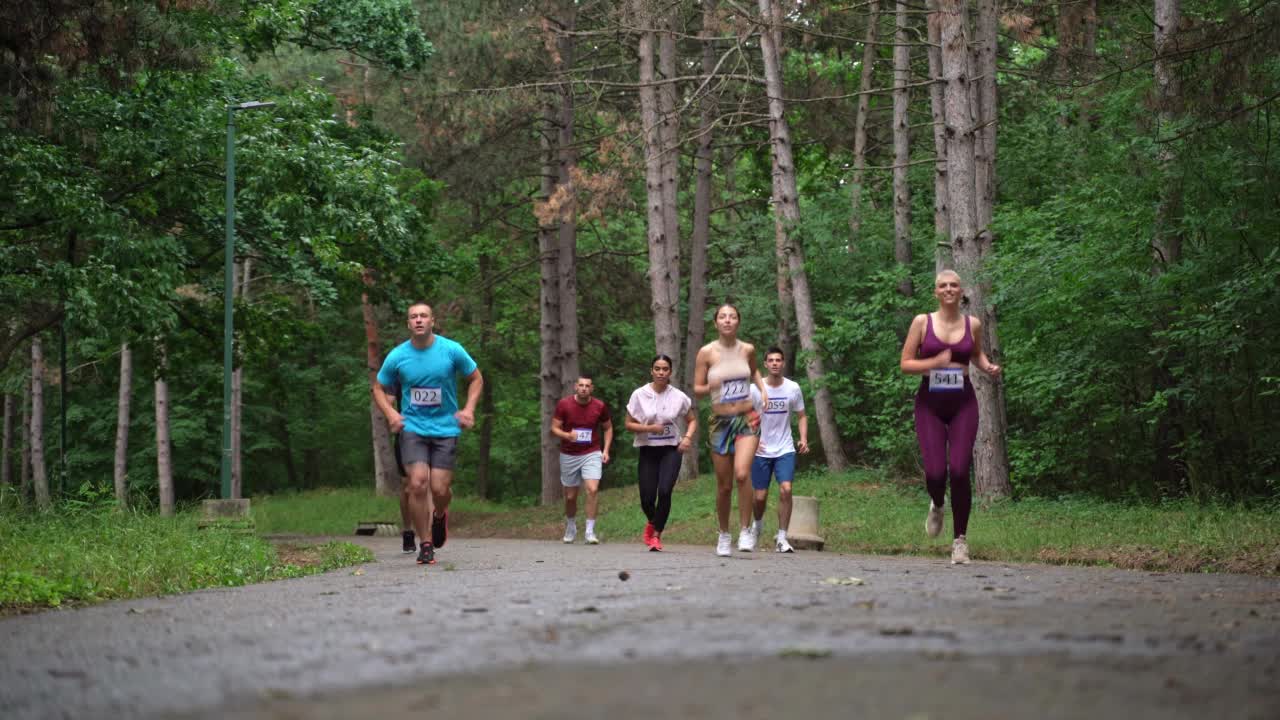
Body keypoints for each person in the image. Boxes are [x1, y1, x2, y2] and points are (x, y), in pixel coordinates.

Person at [899, 270, 1002, 565]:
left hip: (963, 402)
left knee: (958, 470)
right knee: (935, 473)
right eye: (943, 285)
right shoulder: (922, 322)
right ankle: (938, 503)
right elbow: (905, 364)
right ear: (935, 291)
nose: (948, 289)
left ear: (961, 291)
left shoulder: (973, 324)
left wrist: (988, 367)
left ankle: (960, 541)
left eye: (953, 285)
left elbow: (976, 355)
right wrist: (934, 362)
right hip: (929, 403)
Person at [374, 302, 483, 566]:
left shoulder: (451, 350)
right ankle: (425, 544)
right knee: (417, 483)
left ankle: (440, 514)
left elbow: (476, 378)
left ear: (432, 321)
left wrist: (468, 409)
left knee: (440, 488)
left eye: (423, 316)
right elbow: (378, 387)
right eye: (414, 317)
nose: (419, 320)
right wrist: (392, 414)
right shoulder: (398, 356)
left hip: (446, 428)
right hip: (412, 428)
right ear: (408, 324)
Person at [693, 304, 769, 556]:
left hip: (747, 418)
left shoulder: (747, 349)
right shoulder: (706, 353)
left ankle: (746, 530)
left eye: (732, 316)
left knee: (742, 474)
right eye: (722, 317)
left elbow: (755, 369)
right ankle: (724, 534)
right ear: (715, 323)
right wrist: (713, 384)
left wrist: (763, 389)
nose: (727, 320)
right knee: (724, 485)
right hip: (720, 421)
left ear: (738, 322)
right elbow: (697, 389)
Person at [624, 355, 697, 552]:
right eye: (657, 368)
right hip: (648, 450)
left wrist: (688, 438)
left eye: (665, 369)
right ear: (652, 371)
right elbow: (628, 424)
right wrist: (648, 429)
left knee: (664, 491)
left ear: (670, 372)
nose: (661, 372)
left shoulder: (678, 396)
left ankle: (656, 535)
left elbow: (692, 420)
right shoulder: (639, 394)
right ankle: (653, 522)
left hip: (671, 450)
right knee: (647, 498)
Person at [748, 347, 809, 553]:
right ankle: (757, 525)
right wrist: (752, 440)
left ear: (783, 363)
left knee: (786, 489)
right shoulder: (755, 389)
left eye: (778, 360)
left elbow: (801, 415)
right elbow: (744, 417)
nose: (775, 363)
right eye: (771, 360)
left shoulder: (793, 388)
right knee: (759, 497)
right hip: (760, 449)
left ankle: (782, 537)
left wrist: (803, 439)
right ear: (765, 364)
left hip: (785, 448)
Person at [551, 374, 613, 544]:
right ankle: (571, 525)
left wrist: (606, 450)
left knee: (592, 489)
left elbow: (608, 428)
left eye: (587, 385)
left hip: (591, 452)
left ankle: (590, 531)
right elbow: (554, 428)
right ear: (575, 387)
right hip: (569, 454)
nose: (584, 388)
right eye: (581, 385)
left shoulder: (599, 406)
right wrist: (567, 435)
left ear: (591, 389)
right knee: (570, 497)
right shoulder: (564, 404)